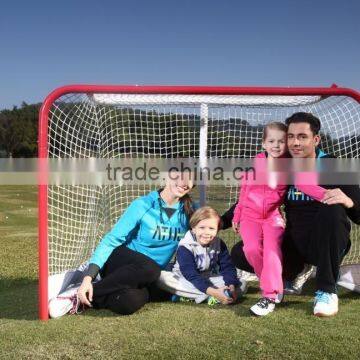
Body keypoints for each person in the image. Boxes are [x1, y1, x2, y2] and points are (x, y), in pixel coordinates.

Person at [225, 112, 360, 317]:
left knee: (331, 206)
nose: (295, 142)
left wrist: (349, 201)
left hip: (325, 243)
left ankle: (326, 290)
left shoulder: (335, 167)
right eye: (290, 136)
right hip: (294, 243)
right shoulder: (284, 165)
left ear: (316, 139)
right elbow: (255, 196)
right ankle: (291, 273)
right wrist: (221, 220)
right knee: (241, 252)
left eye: (302, 137)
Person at [49, 171, 195, 318]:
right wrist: (89, 277)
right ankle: (77, 292)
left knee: (130, 301)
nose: (184, 182)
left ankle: (91, 295)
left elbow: (213, 222)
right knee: (150, 269)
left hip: (147, 275)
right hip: (120, 262)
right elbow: (111, 240)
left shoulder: (190, 211)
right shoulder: (142, 205)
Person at [158, 206, 242, 305]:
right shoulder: (185, 246)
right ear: (194, 228)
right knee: (162, 279)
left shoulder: (219, 244)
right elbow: (191, 275)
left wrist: (231, 286)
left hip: (208, 278)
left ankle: (190, 296)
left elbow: (227, 267)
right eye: (202, 227)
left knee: (241, 283)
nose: (206, 232)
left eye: (211, 228)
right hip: (185, 279)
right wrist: (214, 292)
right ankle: (215, 295)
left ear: (217, 230)